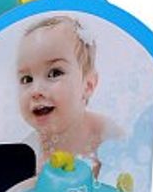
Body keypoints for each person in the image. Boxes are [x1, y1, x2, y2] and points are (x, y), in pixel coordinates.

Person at [16, 15, 120, 174]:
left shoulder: (105, 134)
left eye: (54, 73)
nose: (36, 90)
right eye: (27, 79)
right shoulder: (29, 151)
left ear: (88, 85)